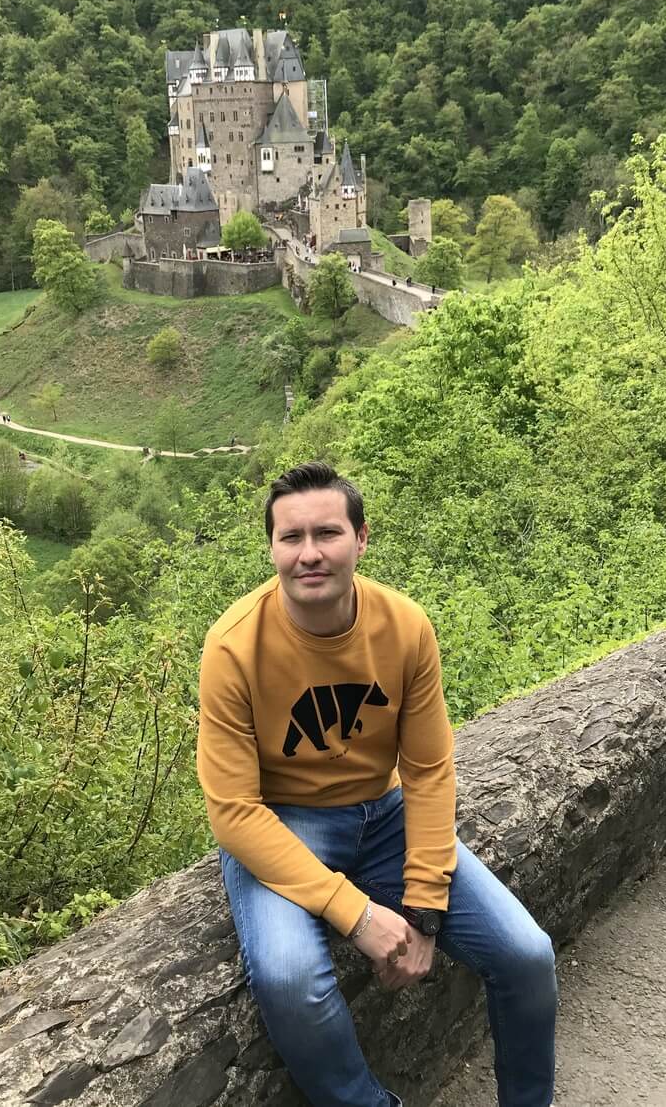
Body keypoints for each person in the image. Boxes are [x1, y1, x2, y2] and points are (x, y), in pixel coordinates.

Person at [197, 462, 557, 1107]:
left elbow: (426, 769)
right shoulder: (232, 647)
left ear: (361, 539)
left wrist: (423, 906)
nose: (309, 554)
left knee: (527, 955)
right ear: (272, 547)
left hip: (385, 814)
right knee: (289, 980)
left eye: (327, 534)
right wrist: (358, 915)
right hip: (284, 823)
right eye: (291, 537)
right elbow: (232, 810)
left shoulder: (404, 627)